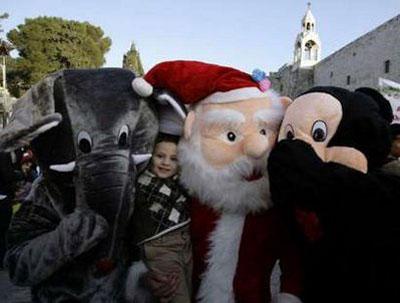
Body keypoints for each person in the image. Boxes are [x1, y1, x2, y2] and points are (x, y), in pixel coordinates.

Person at [130, 133, 192, 303]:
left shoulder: (180, 181)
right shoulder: (142, 183)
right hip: (160, 247)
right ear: (150, 157)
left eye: (174, 159)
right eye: (160, 156)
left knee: (190, 290)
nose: (166, 163)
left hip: (185, 243)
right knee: (175, 295)